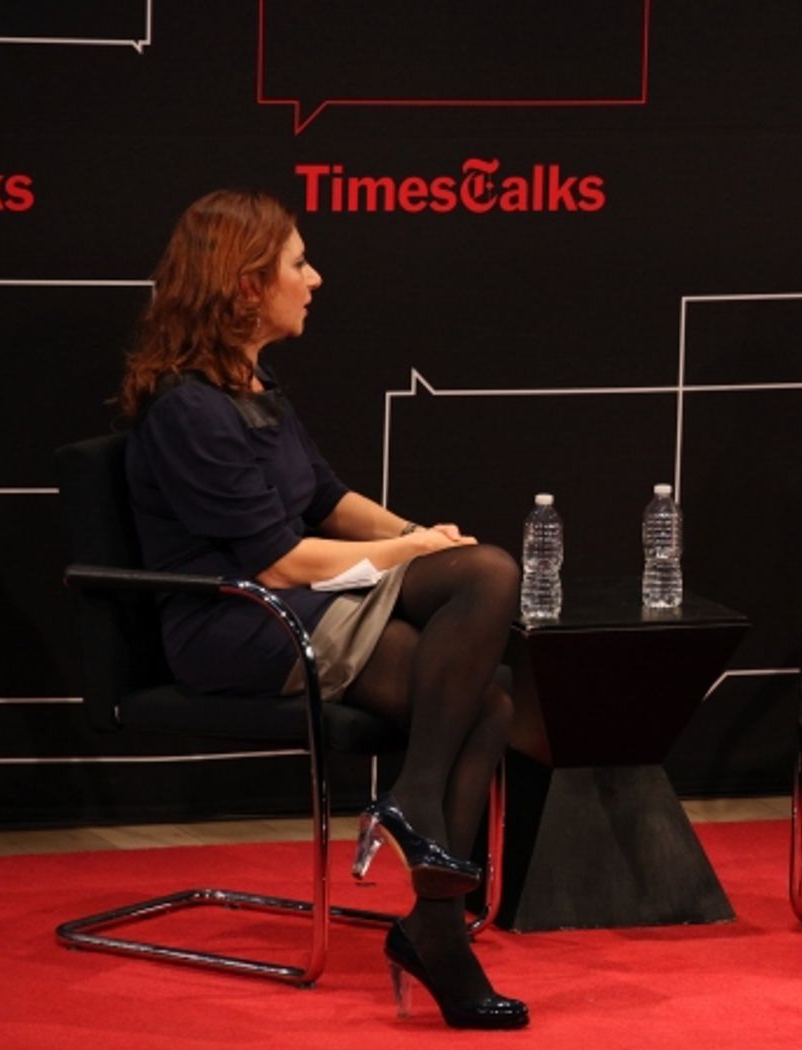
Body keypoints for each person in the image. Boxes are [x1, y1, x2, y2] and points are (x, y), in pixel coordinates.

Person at [118, 189, 528, 1029]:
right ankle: (421, 834)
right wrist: (415, 555)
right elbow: (278, 558)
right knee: (486, 582)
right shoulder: (189, 410)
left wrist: (415, 535)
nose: (315, 279)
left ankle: (433, 923)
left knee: (488, 694)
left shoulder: (254, 383)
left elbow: (329, 501)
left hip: (302, 604)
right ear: (245, 286)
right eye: (298, 264)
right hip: (240, 624)